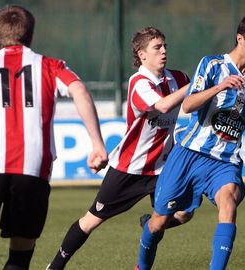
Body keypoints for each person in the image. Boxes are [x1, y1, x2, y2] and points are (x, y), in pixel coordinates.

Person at [47, 27, 193, 270]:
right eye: (157, 47)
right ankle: (55, 266)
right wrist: (193, 86)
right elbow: (164, 106)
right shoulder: (139, 82)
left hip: (163, 169)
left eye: (165, 45)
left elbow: (193, 103)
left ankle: (147, 237)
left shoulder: (178, 78)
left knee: (184, 214)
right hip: (129, 168)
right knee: (91, 221)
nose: (164, 51)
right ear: (142, 54)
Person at [135, 15, 245, 270]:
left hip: (225, 160)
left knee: (228, 202)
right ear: (239, 39)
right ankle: (141, 266)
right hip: (189, 155)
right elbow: (188, 104)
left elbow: (237, 126)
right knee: (157, 222)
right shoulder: (211, 65)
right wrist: (219, 87)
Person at [0, 5, 108, 270]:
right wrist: (97, 143)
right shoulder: (50, 66)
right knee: (20, 254)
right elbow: (80, 90)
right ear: (31, 35)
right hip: (32, 170)